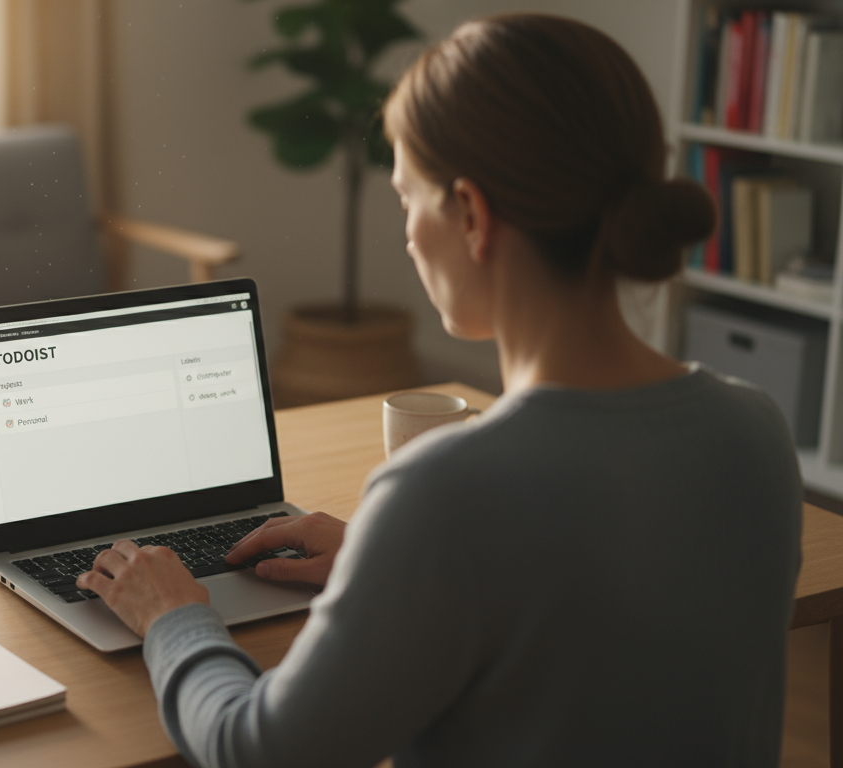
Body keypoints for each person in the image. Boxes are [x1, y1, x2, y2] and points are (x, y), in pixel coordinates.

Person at [77, 13, 802, 767]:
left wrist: (173, 618)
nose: (407, 234)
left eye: (405, 200)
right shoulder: (755, 430)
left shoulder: (445, 492)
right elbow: (597, 629)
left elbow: (257, 752)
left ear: (471, 215)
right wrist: (386, 564)